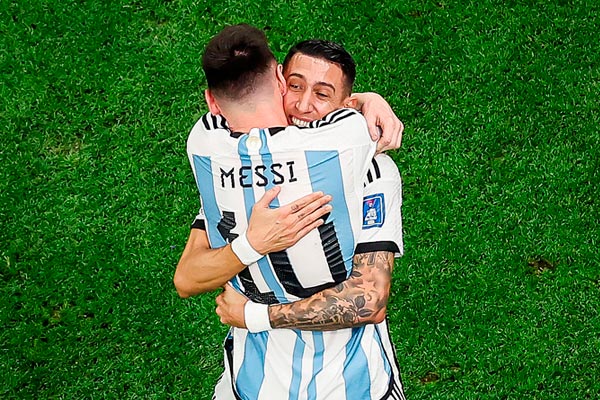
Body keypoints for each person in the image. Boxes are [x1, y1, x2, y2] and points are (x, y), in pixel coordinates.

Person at [174, 25, 403, 399]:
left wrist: (254, 316)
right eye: (296, 86)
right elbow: (187, 277)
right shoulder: (228, 171)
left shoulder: (373, 173)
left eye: (322, 94)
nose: (304, 105)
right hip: (248, 383)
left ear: (344, 104)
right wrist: (251, 244)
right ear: (279, 81)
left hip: (352, 387)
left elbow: (369, 299)